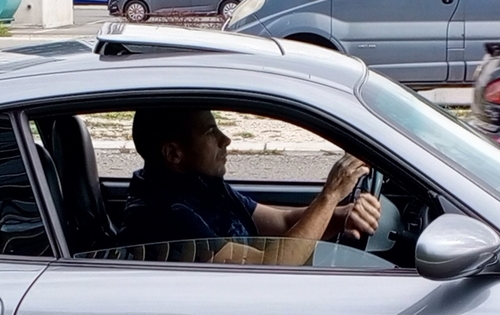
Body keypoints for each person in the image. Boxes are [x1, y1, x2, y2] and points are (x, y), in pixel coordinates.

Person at [120, 107, 382, 265]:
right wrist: (330, 196)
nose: (226, 139)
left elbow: (281, 223)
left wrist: (342, 215)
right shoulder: (164, 216)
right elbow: (270, 266)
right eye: (210, 132)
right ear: (173, 153)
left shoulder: (200, 184)